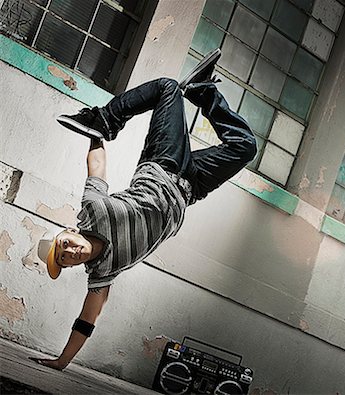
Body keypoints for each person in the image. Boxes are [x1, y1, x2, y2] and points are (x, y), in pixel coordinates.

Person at [31, 49, 257, 370]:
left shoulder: (92, 212)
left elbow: (97, 167)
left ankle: (105, 118)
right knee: (245, 146)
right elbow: (86, 319)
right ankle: (203, 91)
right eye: (66, 259)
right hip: (190, 187)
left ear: (70, 232)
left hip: (162, 164)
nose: (70, 252)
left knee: (166, 87)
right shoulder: (102, 273)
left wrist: (97, 134)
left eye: (64, 245)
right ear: (72, 266)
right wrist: (61, 361)